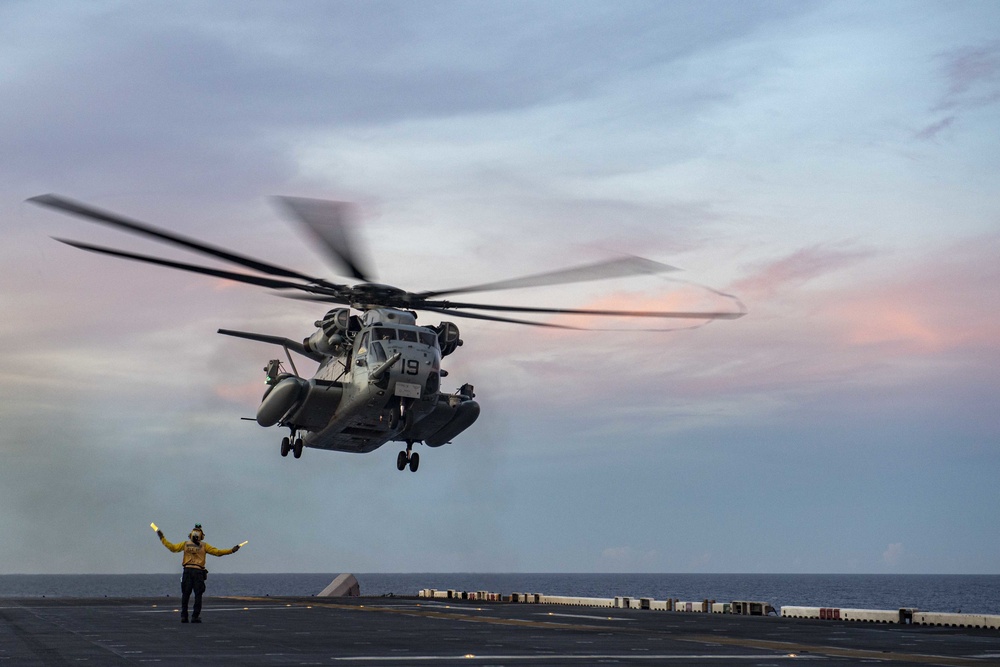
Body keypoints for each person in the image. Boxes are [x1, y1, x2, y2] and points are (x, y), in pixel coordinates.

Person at [157, 524, 241, 623]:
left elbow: (172, 548)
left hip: (187, 571)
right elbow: (218, 552)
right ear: (201, 536)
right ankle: (195, 616)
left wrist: (162, 538)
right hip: (198, 572)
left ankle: (184, 616)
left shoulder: (185, 544)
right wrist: (231, 550)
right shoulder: (204, 546)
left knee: (185, 595)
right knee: (198, 595)